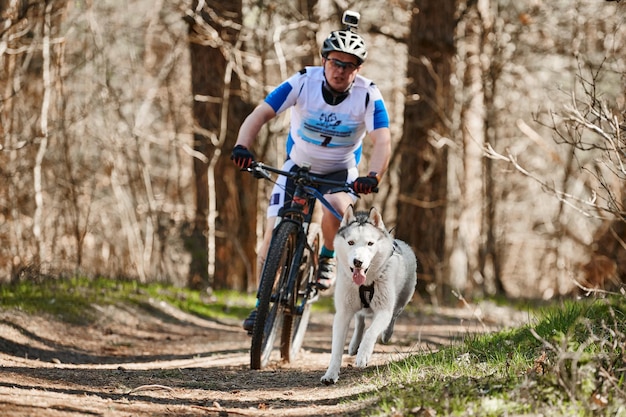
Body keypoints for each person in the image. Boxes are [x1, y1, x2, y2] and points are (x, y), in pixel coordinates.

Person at [231, 11, 391, 333]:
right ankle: (262, 304)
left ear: (357, 70)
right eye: (335, 62)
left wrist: (372, 175)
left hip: (339, 171)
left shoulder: (368, 94)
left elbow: (382, 139)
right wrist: (242, 147)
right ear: (324, 60)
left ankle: (329, 257)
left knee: (339, 210)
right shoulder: (303, 81)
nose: (340, 71)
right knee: (272, 234)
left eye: (348, 66)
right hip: (296, 166)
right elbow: (261, 113)